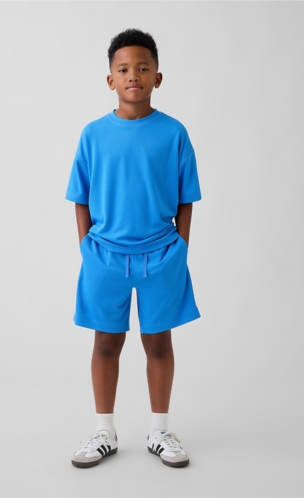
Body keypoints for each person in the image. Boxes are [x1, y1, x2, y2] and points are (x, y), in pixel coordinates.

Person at [66, 29, 202, 469]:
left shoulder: (174, 133)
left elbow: (186, 197)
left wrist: (180, 247)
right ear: (110, 80)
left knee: (157, 341)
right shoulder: (93, 134)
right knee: (106, 342)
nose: (133, 76)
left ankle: (160, 430)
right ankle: (104, 431)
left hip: (162, 254)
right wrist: (86, 247)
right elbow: (80, 196)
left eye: (143, 68)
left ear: (157, 77)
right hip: (104, 256)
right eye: (123, 69)